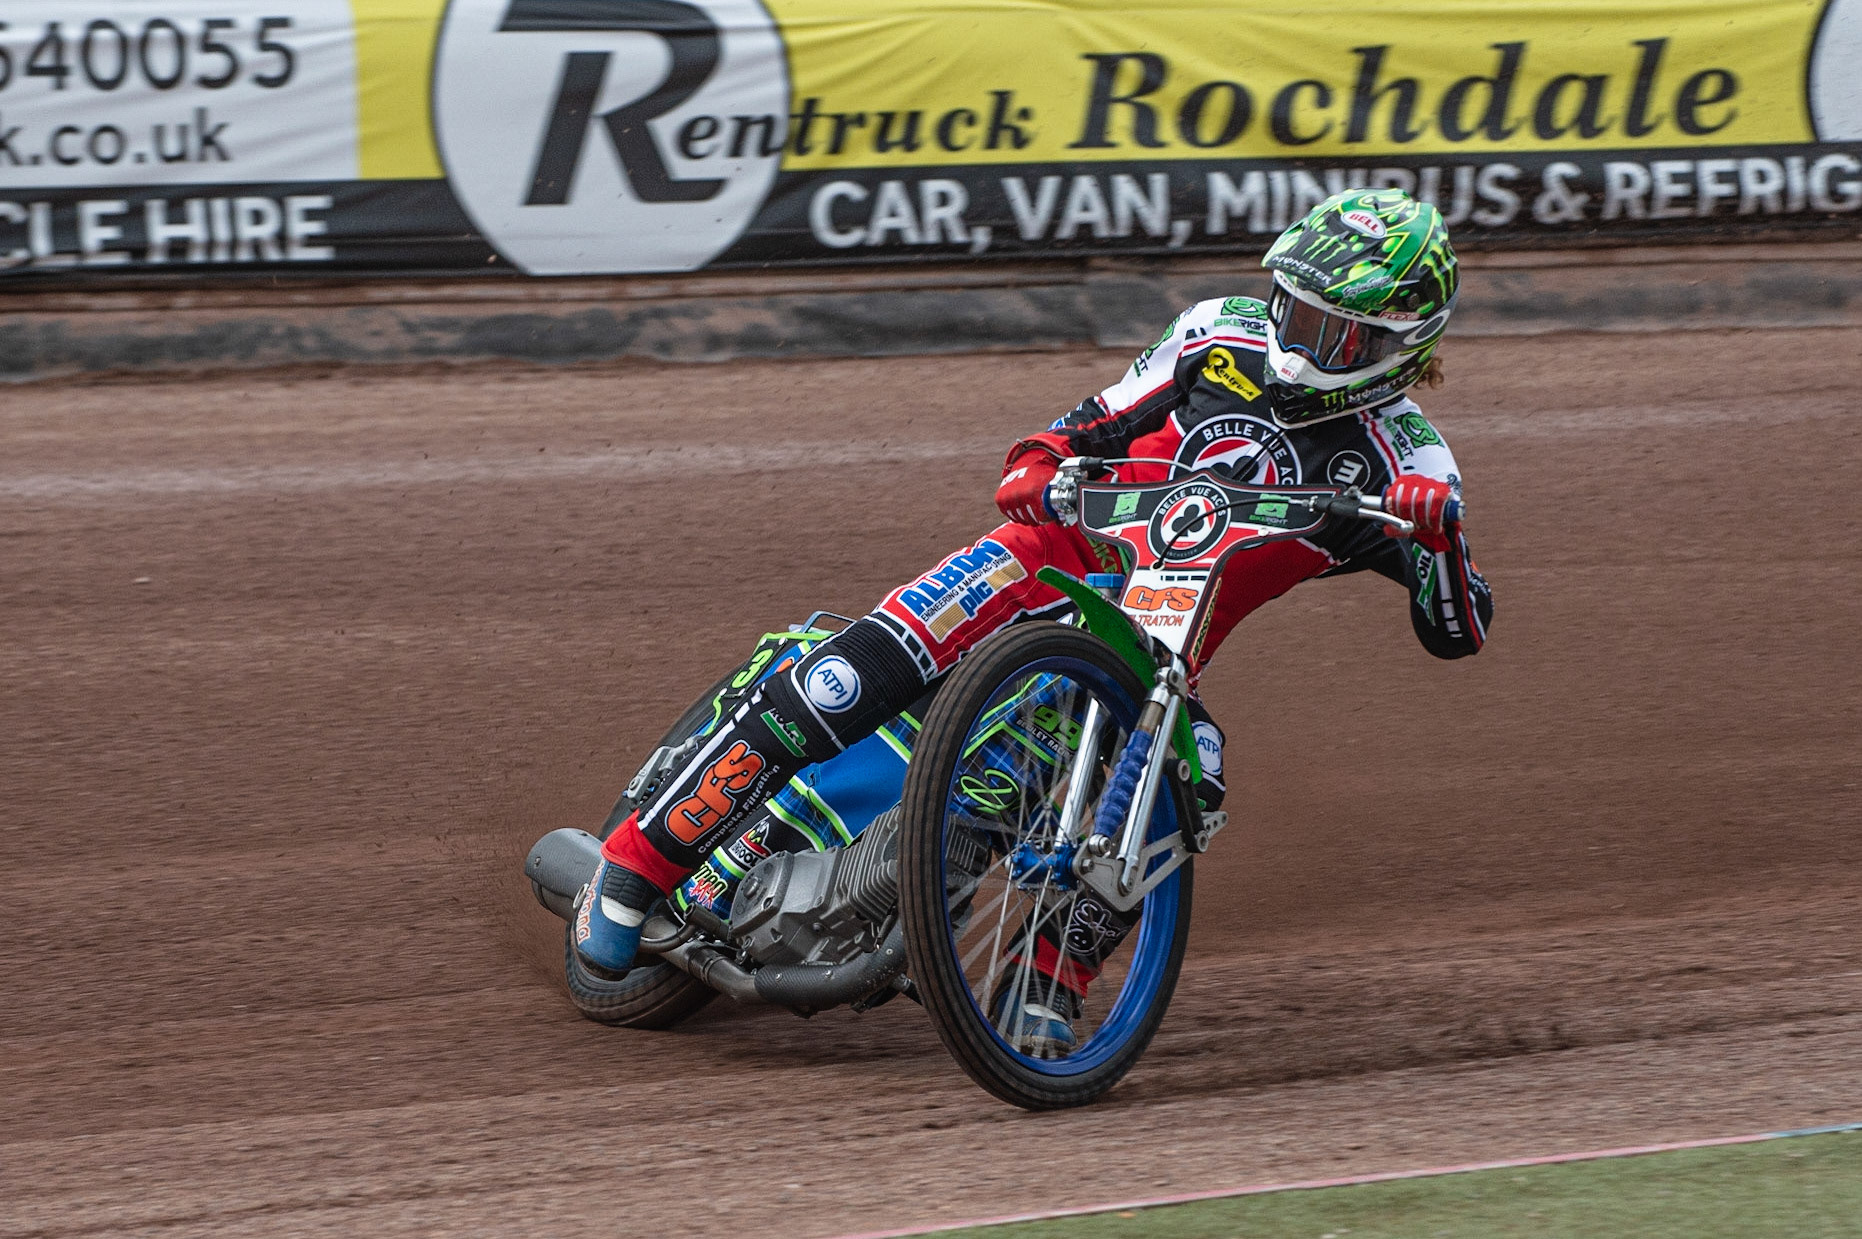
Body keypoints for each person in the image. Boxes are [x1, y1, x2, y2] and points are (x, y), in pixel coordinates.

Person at [575, 188, 1494, 1047]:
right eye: (1293, 307)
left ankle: (1046, 979)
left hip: (1146, 650)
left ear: (1399, 344)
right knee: (845, 678)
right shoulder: (1219, 334)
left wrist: (1438, 538)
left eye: (1332, 328)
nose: (1299, 336)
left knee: (1195, 778)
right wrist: (1038, 460)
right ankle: (634, 865)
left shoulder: (1407, 463)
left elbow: (1460, 629)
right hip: (1048, 554)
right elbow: (1083, 425)